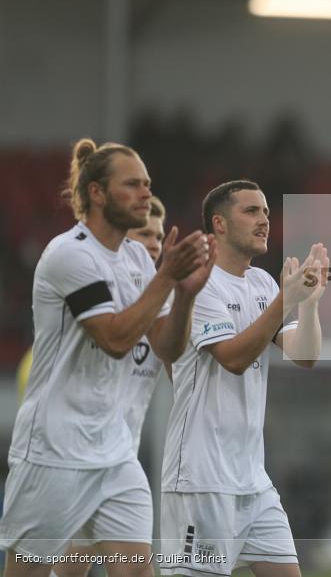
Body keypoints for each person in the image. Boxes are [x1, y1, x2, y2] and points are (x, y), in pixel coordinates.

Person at [0, 138, 214, 577]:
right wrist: (167, 277)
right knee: (29, 573)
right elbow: (114, 338)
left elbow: (166, 348)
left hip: (117, 455)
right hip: (54, 452)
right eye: (132, 184)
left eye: (147, 185)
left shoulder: (137, 257)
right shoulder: (70, 254)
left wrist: (185, 296)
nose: (144, 194)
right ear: (97, 192)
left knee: (136, 570)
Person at [159, 180, 327, 577]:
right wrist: (286, 300)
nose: (264, 220)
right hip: (201, 479)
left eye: (266, 212)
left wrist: (310, 304)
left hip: (252, 479)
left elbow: (305, 356)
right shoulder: (199, 285)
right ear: (219, 224)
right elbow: (232, 358)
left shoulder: (262, 284)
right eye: (251, 211)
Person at [52, 195, 171, 577]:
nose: (154, 243)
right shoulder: (95, 297)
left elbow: (181, 373)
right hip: (70, 462)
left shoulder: (164, 310)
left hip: (117, 463)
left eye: (159, 235)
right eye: (143, 234)